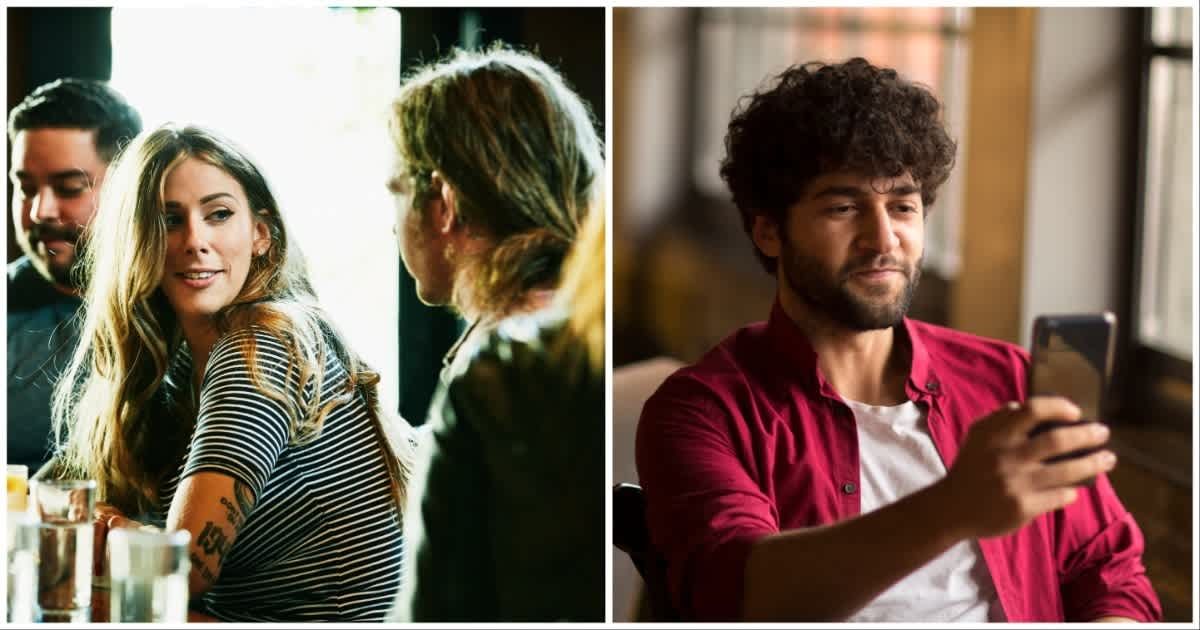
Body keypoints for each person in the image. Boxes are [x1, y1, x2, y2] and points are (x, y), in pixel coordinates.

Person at [635, 58, 1162, 622]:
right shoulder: (700, 411)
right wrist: (954, 507)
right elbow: (738, 596)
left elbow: (1110, 573)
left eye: (902, 206)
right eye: (843, 207)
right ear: (769, 231)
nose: (882, 239)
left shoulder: (1006, 378)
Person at [47, 124, 413, 622]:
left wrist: (102, 529)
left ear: (261, 234)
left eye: (219, 215)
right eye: (168, 220)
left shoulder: (267, 340)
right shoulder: (176, 366)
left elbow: (182, 570)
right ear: (140, 242)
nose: (195, 240)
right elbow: (58, 497)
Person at [383, 47, 605, 621]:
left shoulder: (499, 371)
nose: (393, 224)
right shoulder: (600, 333)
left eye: (397, 194)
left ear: (444, 204)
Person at [7, 78, 142, 473]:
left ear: (128, 186)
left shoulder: (181, 311)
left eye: (68, 188)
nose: (39, 212)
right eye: (26, 187)